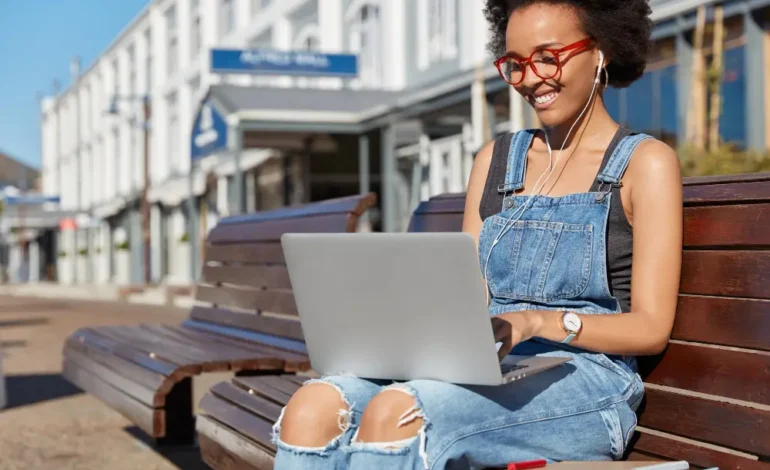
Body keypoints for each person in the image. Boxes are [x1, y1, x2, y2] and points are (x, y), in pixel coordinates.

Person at [270, 0, 683, 468]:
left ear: (601, 51)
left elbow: (651, 329)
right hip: (487, 367)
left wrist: (534, 321)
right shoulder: (496, 160)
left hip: (586, 382)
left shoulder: (644, 163)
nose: (530, 78)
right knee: (313, 407)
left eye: (548, 56)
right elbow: (471, 292)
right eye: (516, 64)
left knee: (401, 414)